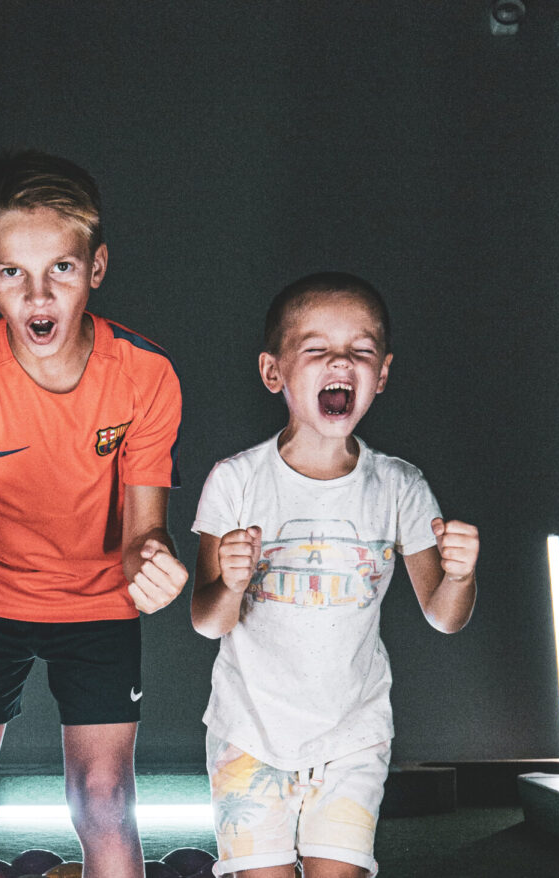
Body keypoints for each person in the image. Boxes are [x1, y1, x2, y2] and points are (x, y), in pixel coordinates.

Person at [0, 150, 188, 878]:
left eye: (60, 268)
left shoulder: (147, 374)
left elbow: (144, 532)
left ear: (95, 267)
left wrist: (153, 563)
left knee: (104, 797)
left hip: (97, 604)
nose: (38, 296)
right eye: (11, 273)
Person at [190, 272, 479, 878]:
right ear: (275, 372)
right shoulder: (236, 481)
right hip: (250, 733)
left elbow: (445, 617)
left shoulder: (400, 486)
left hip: (353, 734)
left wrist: (460, 575)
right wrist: (232, 583)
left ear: (383, 373)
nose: (341, 361)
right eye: (317, 348)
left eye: (361, 350)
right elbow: (207, 619)